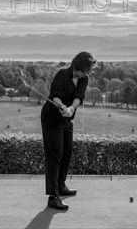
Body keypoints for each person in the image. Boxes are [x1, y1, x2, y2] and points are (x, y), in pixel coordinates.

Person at [41, 51, 95, 210]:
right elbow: (55, 96)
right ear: (77, 65)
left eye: (88, 71)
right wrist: (63, 106)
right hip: (52, 119)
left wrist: (71, 108)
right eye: (85, 70)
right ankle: (53, 196)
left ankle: (61, 185)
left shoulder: (84, 77)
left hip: (66, 120)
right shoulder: (62, 74)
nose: (86, 73)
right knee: (54, 156)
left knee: (66, 153)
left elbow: (80, 95)